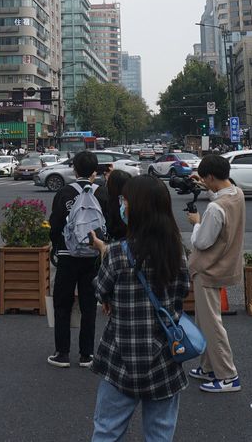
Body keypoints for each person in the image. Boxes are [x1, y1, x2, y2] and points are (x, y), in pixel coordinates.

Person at [87, 175, 190, 441]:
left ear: (136, 209)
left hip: (121, 356)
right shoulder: (176, 252)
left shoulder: (118, 253)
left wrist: (111, 299)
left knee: (107, 431)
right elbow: (181, 293)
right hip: (164, 356)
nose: (122, 205)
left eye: (125, 201)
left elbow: (100, 289)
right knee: (159, 434)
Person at [186, 154, 246, 393]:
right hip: (226, 264)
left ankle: (228, 375)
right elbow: (220, 194)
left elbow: (201, 242)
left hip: (208, 269)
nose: (204, 183)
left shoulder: (214, 209)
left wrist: (196, 222)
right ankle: (209, 367)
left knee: (211, 324)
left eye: (205, 179)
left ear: (211, 176)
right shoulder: (237, 194)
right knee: (205, 321)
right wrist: (205, 187)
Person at [47, 151, 111, 368]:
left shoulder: (65, 192)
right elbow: (108, 225)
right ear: (95, 171)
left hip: (67, 254)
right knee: (88, 304)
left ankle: (62, 353)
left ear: (74, 169)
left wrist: (56, 246)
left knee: (62, 303)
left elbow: (55, 224)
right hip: (93, 255)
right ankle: (87, 354)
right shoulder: (102, 193)